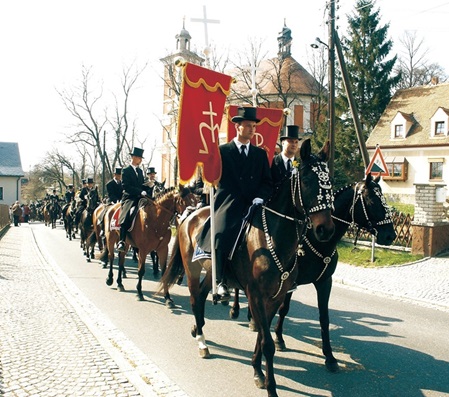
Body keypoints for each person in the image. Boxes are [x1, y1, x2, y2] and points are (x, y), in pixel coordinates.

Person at [196, 106, 273, 301]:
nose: (252, 130)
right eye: (248, 126)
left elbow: (267, 181)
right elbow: (211, 175)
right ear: (237, 127)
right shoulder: (222, 151)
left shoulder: (260, 154)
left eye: (254, 126)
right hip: (229, 201)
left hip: (255, 203)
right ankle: (220, 281)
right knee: (221, 231)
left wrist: (261, 196)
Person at [116, 147, 147, 252]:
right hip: (129, 197)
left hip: (140, 197)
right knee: (127, 214)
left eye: (141, 158)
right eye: (139, 158)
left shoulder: (140, 171)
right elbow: (126, 186)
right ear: (133, 157)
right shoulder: (126, 170)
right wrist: (139, 191)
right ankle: (122, 240)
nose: (140, 160)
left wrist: (148, 186)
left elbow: (142, 185)